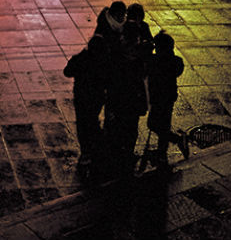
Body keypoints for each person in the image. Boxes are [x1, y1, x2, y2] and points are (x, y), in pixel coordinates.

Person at [104, 20, 149, 174]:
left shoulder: (116, 50)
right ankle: (127, 152)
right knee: (131, 126)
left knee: (117, 124)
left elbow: (111, 74)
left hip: (118, 95)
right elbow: (142, 75)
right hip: (132, 97)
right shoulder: (140, 54)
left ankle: (117, 152)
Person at [64, 34, 111, 175]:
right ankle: (96, 149)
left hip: (81, 97)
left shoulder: (81, 59)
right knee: (92, 121)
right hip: (96, 98)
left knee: (83, 125)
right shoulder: (104, 61)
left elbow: (67, 72)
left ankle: (86, 152)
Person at [143, 32, 188, 168]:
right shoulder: (176, 61)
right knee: (163, 124)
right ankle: (163, 151)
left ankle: (170, 145)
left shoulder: (155, 61)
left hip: (158, 97)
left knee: (154, 124)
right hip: (168, 97)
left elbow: (147, 63)